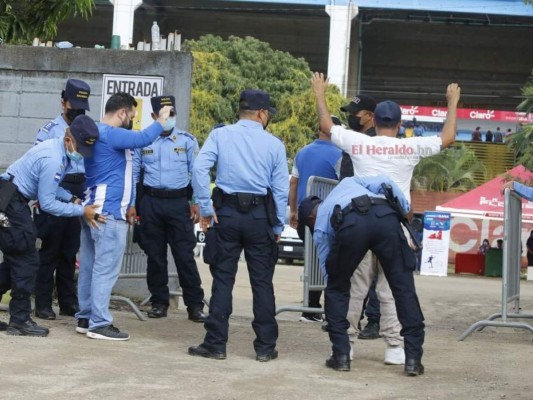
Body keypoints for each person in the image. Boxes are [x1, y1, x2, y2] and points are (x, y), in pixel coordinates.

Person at [311, 72, 460, 374]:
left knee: (354, 285)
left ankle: (346, 346)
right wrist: (452, 102)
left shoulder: (359, 142)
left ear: (373, 121)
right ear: (399, 124)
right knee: (394, 289)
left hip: (359, 219)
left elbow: (327, 126)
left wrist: (319, 93)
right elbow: (448, 137)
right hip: (394, 224)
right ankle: (396, 349)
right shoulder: (410, 146)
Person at [188, 89, 289, 362]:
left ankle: (216, 344)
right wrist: (279, 225)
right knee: (262, 283)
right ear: (261, 113)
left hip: (226, 215)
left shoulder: (220, 135)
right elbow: (280, 190)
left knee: (223, 279)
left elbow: (199, 169)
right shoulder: (274, 145)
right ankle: (265, 348)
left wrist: (206, 208)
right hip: (260, 219)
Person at [298, 175, 425, 376]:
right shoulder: (347, 184)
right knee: (403, 289)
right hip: (385, 218)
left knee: (336, 289)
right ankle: (412, 359)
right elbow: (386, 182)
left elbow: (329, 273)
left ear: (310, 219)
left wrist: (335, 285)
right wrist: (404, 210)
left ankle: (341, 356)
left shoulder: (321, 227)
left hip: (351, 224)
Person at [76, 92, 172, 341]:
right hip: (108, 213)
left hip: (94, 209)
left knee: (89, 267)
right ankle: (99, 323)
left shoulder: (97, 132)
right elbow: (143, 138)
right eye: (131, 114)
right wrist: (161, 120)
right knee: (105, 270)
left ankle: (86, 317)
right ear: (121, 113)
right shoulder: (111, 133)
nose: (132, 119)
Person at [0, 115, 100, 336]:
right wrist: (81, 210)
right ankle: (20, 320)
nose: (81, 153)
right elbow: (47, 204)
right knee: (27, 258)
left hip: (11, 198)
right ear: (68, 139)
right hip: (10, 201)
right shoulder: (54, 158)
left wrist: (71, 199)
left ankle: (19, 318)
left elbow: (51, 188)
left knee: (15, 259)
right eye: (80, 147)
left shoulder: (59, 152)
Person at [132, 95, 206, 322]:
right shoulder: (143, 141)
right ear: (154, 116)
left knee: (184, 255)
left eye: (172, 113)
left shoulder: (187, 140)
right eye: (165, 114)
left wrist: (196, 202)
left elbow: (196, 173)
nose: (169, 118)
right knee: (155, 256)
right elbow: (135, 175)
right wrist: (133, 205)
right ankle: (159, 302)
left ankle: (194, 305)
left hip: (178, 204)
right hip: (151, 203)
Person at [32, 78, 91, 320]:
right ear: (63, 102)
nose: (76, 111)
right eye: (73, 105)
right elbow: (40, 167)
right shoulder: (48, 131)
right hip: (55, 187)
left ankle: (68, 302)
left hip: (79, 189)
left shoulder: (86, 129)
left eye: (81, 107)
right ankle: (43, 303)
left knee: (70, 251)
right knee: (50, 250)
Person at [289, 116, 342, 323]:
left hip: (304, 214)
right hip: (328, 217)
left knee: (312, 260)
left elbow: (294, 183)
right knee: (330, 262)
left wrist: (293, 211)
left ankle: (310, 308)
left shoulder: (302, 152)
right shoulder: (339, 155)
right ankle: (326, 310)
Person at [338, 94, 377, 179]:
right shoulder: (351, 137)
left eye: (355, 113)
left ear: (370, 116)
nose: (351, 116)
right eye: (350, 113)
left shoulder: (374, 141)